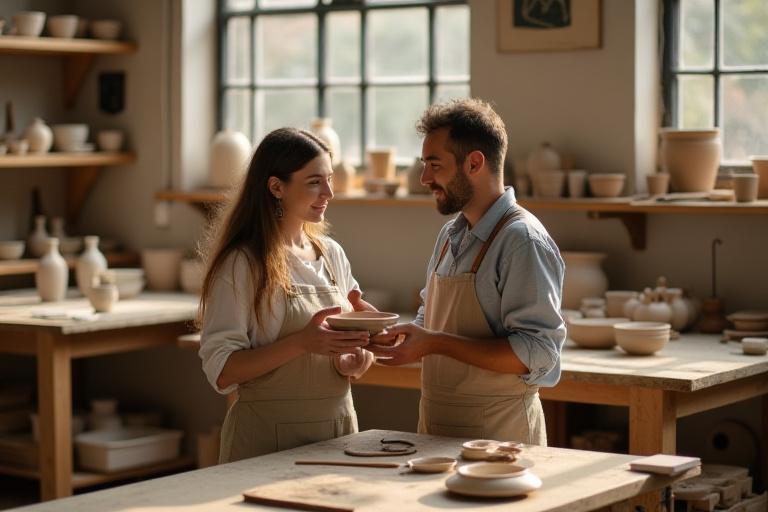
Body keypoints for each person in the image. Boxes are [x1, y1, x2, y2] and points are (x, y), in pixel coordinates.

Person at [370, 98, 565, 445]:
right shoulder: (450, 235)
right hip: (438, 429)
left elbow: (537, 352)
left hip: (502, 439)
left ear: (474, 163)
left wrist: (434, 343)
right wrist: (398, 336)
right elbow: (431, 320)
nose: (425, 178)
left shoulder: (521, 240)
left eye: (435, 164)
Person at [198, 127, 375, 463]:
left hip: (337, 433)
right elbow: (222, 371)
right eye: (314, 182)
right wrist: (300, 343)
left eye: (329, 179)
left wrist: (353, 361)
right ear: (276, 186)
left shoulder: (332, 255)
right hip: (265, 440)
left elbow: (349, 340)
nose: (329, 192)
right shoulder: (243, 263)